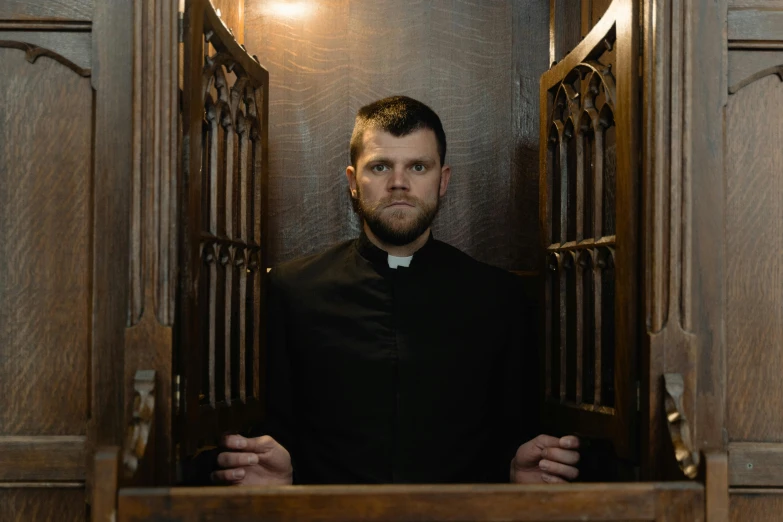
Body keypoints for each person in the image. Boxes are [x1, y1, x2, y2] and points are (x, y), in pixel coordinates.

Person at [207, 95, 579, 485]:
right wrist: (282, 476)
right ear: (353, 181)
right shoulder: (291, 291)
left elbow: (515, 431)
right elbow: (274, 427)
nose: (399, 183)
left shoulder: (499, 299)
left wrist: (514, 471)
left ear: (443, 180)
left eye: (418, 166)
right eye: (380, 166)